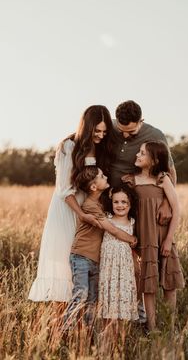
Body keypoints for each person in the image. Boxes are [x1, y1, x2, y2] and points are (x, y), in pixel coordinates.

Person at [28, 105, 115, 302]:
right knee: (65, 260)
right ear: (87, 127)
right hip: (68, 208)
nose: (101, 135)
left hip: (89, 207)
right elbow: (64, 189)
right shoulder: (69, 146)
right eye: (97, 131)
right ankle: (62, 323)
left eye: (104, 131)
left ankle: (80, 323)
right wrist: (81, 214)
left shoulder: (101, 148)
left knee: (83, 262)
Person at [122, 141, 185, 331]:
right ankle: (152, 325)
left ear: (154, 159)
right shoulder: (130, 181)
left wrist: (168, 240)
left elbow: (176, 210)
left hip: (162, 236)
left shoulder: (162, 179)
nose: (137, 156)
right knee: (147, 284)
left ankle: (169, 325)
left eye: (142, 153)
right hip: (143, 238)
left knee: (169, 283)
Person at [64, 166, 137, 328]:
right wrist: (132, 239)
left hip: (95, 259)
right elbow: (111, 229)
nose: (106, 177)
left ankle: (87, 334)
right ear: (93, 187)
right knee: (80, 294)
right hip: (81, 255)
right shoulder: (90, 205)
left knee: (92, 299)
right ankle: (65, 329)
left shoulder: (99, 203)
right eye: (102, 176)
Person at [110, 100, 176, 226]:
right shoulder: (109, 125)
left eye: (131, 132)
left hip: (136, 201)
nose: (125, 135)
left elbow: (170, 171)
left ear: (141, 121)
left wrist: (167, 204)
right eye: (121, 130)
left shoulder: (155, 135)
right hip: (108, 198)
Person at [98, 184, 139, 322]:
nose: (120, 205)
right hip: (108, 269)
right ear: (111, 202)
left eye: (124, 202)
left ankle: (120, 337)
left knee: (123, 296)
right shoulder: (107, 219)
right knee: (109, 298)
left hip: (125, 270)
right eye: (116, 202)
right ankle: (106, 336)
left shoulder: (133, 223)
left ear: (130, 203)